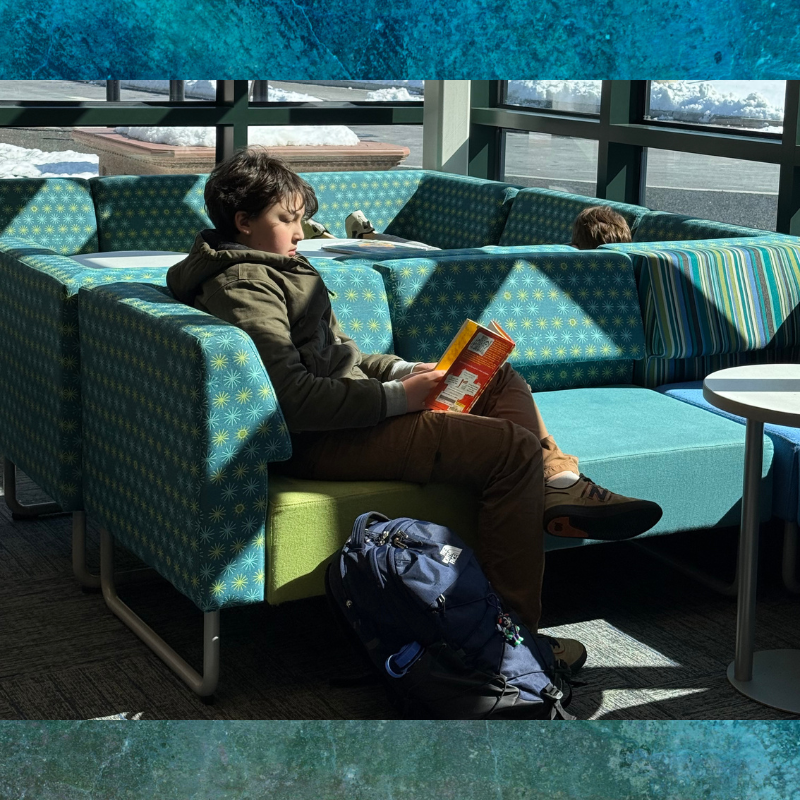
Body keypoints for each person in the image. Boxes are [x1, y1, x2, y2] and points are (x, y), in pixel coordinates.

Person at [167, 147, 662, 674]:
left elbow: (342, 357)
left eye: (299, 218)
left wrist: (406, 371)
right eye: (286, 219)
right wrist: (401, 399)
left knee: (492, 373)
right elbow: (294, 399)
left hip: (355, 412)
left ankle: (557, 483)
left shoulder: (281, 265)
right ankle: (511, 645)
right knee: (511, 448)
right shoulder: (243, 285)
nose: (299, 230)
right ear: (243, 222)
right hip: (323, 437)